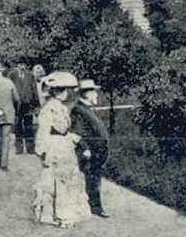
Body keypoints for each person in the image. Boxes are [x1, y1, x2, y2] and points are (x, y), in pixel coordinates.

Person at [32, 71, 91, 228]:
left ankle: (61, 214)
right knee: (58, 181)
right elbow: (43, 130)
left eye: (66, 89)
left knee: (66, 180)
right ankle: (60, 216)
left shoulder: (63, 107)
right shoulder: (48, 109)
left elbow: (66, 130)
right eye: (61, 90)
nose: (65, 93)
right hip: (54, 147)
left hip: (64, 146)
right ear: (53, 91)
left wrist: (78, 141)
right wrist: (41, 150)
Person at [69, 79, 110, 218]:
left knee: (94, 178)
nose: (96, 95)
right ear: (87, 93)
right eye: (94, 92)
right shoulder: (79, 110)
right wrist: (85, 148)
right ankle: (95, 207)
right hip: (90, 152)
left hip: (97, 152)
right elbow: (77, 133)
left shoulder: (86, 109)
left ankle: (94, 206)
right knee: (91, 179)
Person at [7, 62, 39, 154]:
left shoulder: (30, 75)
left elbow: (34, 89)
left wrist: (36, 104)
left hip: (28, 105)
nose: (22, 67)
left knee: (29, 126)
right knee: (18, 126)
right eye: (20, 65)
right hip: (16, 105)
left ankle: (30, 148)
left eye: (24, 65)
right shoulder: (12, 75)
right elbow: (9, 89)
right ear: (17, 65)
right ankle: (19, 148)